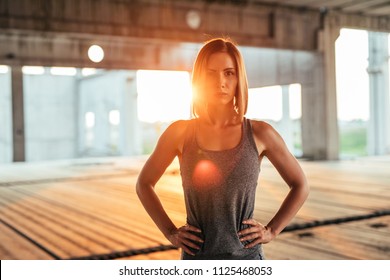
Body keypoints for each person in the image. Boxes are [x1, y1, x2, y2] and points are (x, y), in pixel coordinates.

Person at [136, 37, 309, 260]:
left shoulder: (260, 133)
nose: (220, 82)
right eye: (211, 73)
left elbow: (300, 185)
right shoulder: (180, 133)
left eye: (229, 73)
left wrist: (271, 230)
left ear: (239, 78)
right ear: (199, 79)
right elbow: (144, 183)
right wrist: (170, 232)